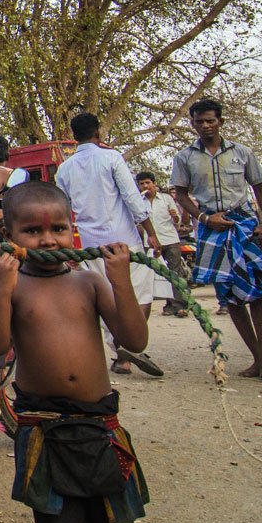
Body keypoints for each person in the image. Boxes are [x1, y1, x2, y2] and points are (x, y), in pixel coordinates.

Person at [0, 181, 150, 523]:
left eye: (58, 229)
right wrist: (2, 287)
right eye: (32, 231)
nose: (47, 240)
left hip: (99, 426)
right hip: (44, 428)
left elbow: (134, 340)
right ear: (8, 234)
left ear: (72, 228)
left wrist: (121, 280)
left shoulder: (89, 282)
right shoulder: (11, 286)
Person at [170, 98, 262, 381]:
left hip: (244, 223)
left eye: (210, 120)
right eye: (199, 121)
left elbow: (260, 189)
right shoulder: (184, 157)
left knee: (256, 291)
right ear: (192, 124)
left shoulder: (242, 152)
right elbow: (181, 195)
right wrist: (204, 219)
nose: (205, 126)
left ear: (220, 121)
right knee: (230, 295)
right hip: (211, 227)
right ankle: (256, 358)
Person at [54, 113, 163, 377]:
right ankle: (130, 346)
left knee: (108, 298)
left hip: (92, 244)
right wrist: (151, 233)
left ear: (74, 136)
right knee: (141, 294)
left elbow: (63, 211)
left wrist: (69, 247)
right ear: (98, 134)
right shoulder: (111, 157)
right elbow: (133, 199)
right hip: (123, 241)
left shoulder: (64, 169)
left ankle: (120, 355)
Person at [135, 172, 188, 316]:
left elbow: (177, 221)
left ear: (154, 183)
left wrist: (175, 216)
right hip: (150, 243)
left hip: (169, 240)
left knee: (174, 272)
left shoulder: (166, 199)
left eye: (147, 183)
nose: (146, 186)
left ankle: (179, 305)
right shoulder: (138, 202)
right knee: (155, 274)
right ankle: (168, 304)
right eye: (142, 184)